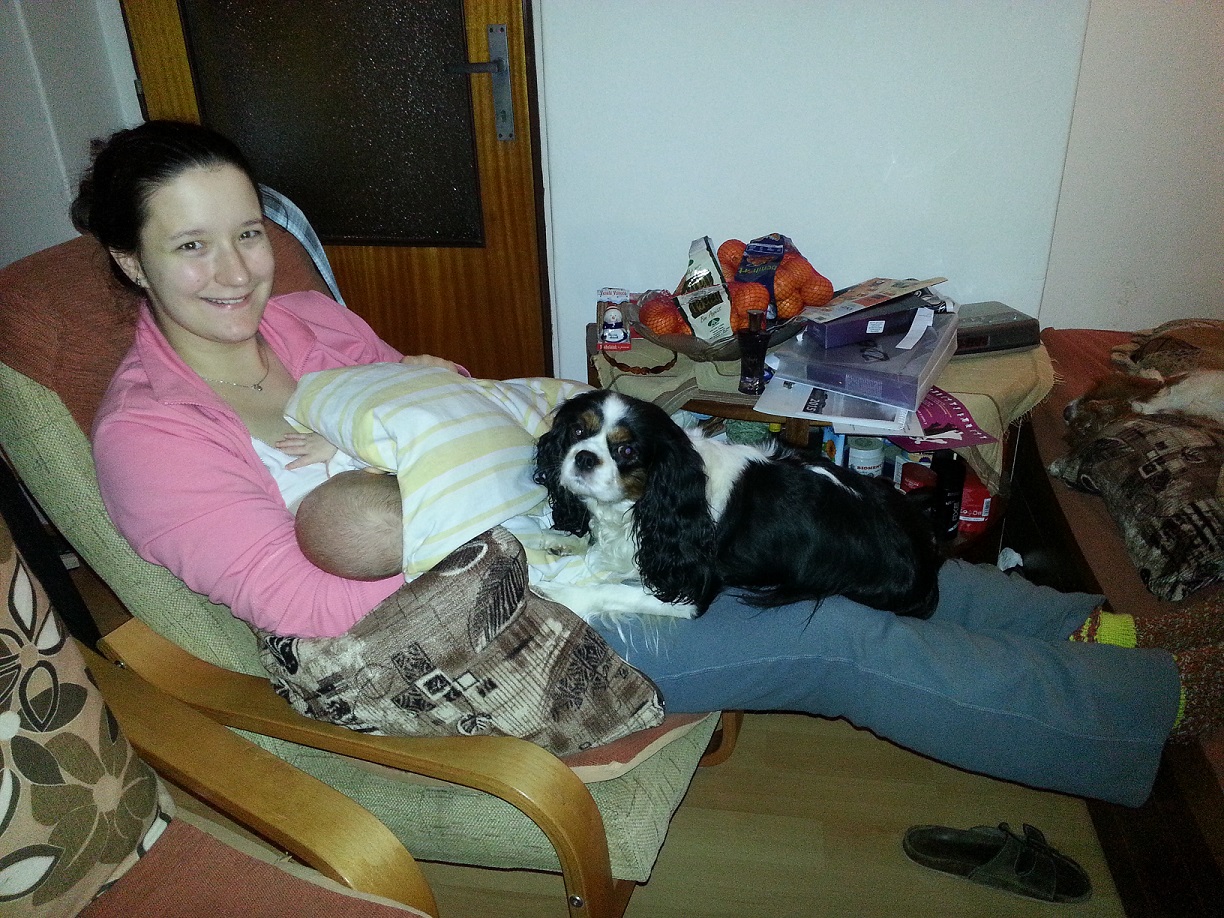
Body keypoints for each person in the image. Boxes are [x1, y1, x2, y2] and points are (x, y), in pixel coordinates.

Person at [82, 120, 1224, 808]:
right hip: (486, 639)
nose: (237, 271)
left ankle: (1096, 633)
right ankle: (1148, 703)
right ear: (131, 260)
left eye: (248, 233)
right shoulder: (151, 436)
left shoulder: (308, 324)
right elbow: (303, 601)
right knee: (833, 636)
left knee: (813, 535)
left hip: (561, 543)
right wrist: (501, 548)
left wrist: (552, 455)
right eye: (191, 245)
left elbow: (450, 405)